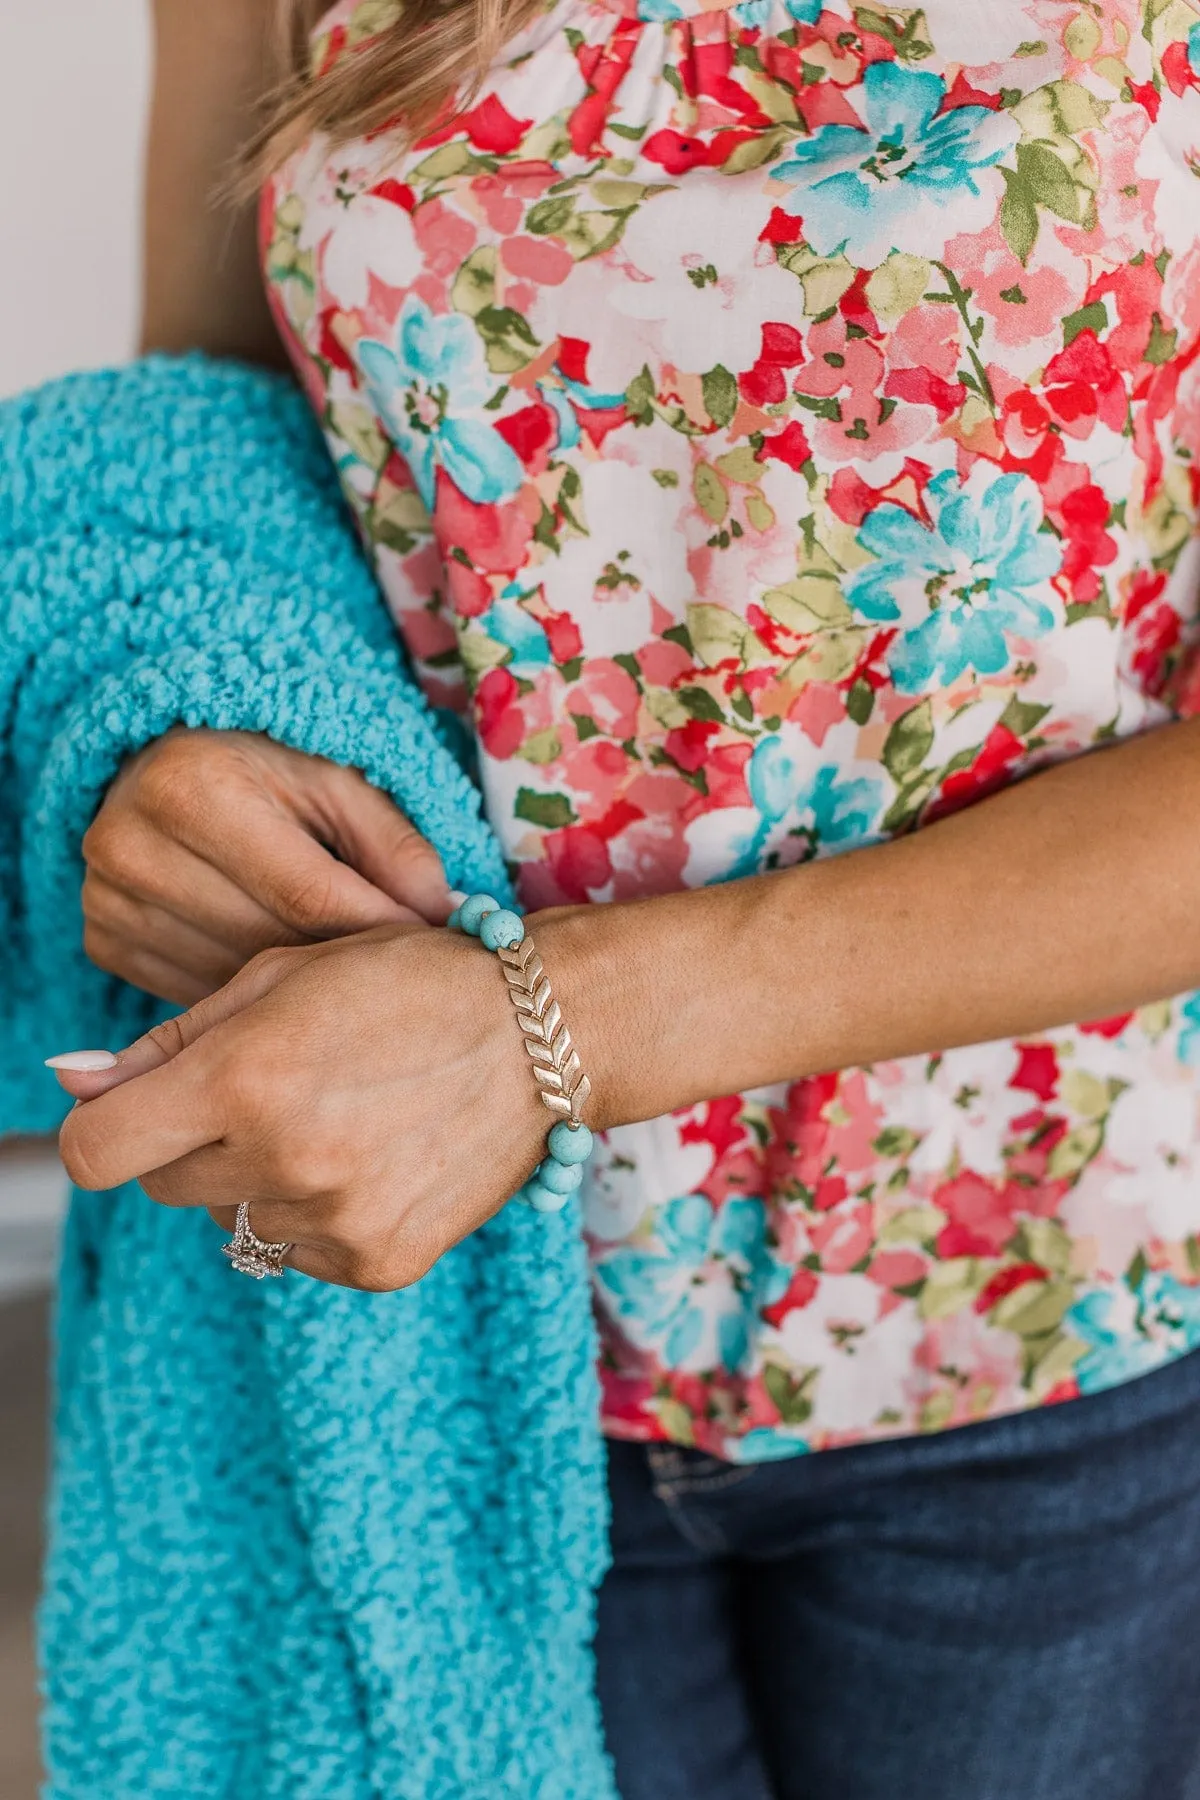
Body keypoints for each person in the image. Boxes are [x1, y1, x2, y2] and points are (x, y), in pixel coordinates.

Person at [46, 0, 1200, 1793]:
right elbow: (207, 416)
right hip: (447, 1318)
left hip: (1049, 1323)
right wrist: (159, 735)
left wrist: (544, 1035)